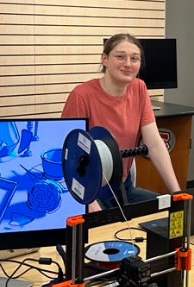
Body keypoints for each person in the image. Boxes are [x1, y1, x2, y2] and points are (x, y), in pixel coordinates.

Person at [61, 33, 180, 210]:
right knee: (105, 230)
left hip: (124, 187)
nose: (128, 64)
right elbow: (68, 162)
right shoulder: (81, 95)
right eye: (120, 57)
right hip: (89, 191)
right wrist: (94, 211)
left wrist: (177, 193)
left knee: (168, 210)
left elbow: (155, 144)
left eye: (134, 58)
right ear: (105, 59)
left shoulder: (139, 88)